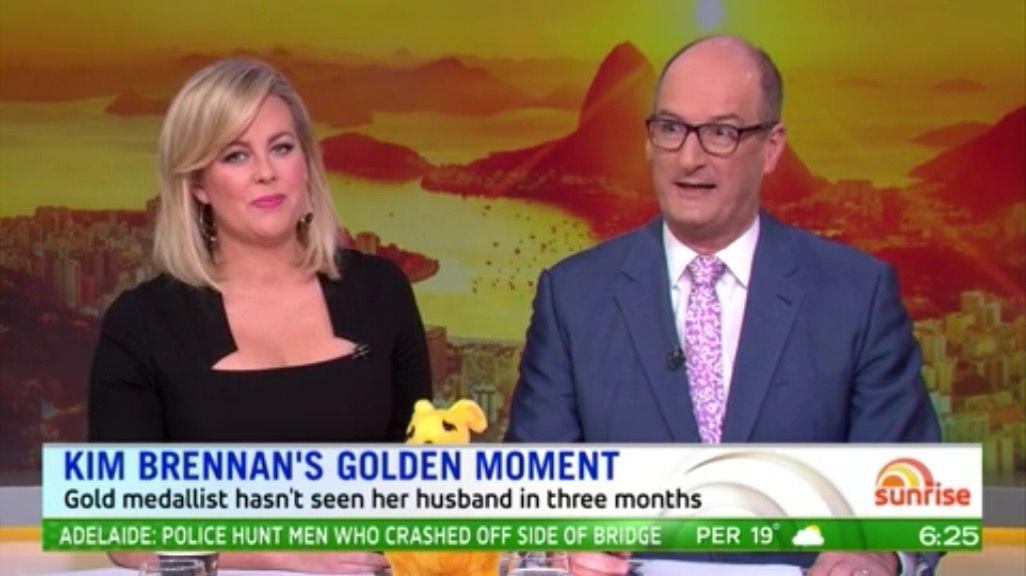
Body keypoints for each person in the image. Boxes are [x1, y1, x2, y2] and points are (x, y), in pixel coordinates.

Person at [505, 36, 941, 576]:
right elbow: (532, 496)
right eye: (671, 129)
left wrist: (879, 553)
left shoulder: (857, 294)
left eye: (720, 133)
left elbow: (910, 495)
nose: (689, 158)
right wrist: (560, 546)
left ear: (772, 147)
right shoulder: (573, 296)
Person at [89, 58, 431, 573]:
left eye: (281, 147)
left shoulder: (381, 292)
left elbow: (423, 483)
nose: (266, 172)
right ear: (198, 184)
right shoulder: (144, 324)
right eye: (235, 155)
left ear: (306, 163)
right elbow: (125, 533)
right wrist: (281, 553)